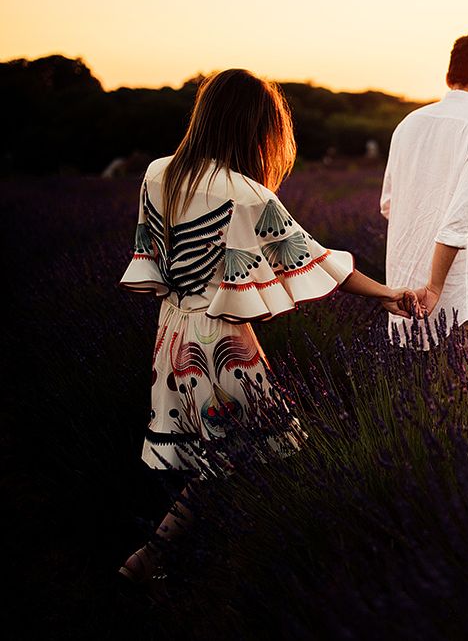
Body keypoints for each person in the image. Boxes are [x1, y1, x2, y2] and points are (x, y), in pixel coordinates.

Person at [117, 68, 418, 595]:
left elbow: (153, 259)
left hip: (171, 333)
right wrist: (390, 294)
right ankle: (165, 560)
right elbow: (317, 260)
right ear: (254, 128)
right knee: (248, 457)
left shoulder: (157, 173)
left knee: (225, 457)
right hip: (223, 344)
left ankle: (191, 562)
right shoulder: (247, 191)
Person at [380, 30, 468, 348]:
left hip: (401, 299)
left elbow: (388, 205)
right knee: (463, 396)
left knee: (409, 395)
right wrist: (435, 286)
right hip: (452, 303)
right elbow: (457, 222)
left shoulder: (408, 123)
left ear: (449, 76)